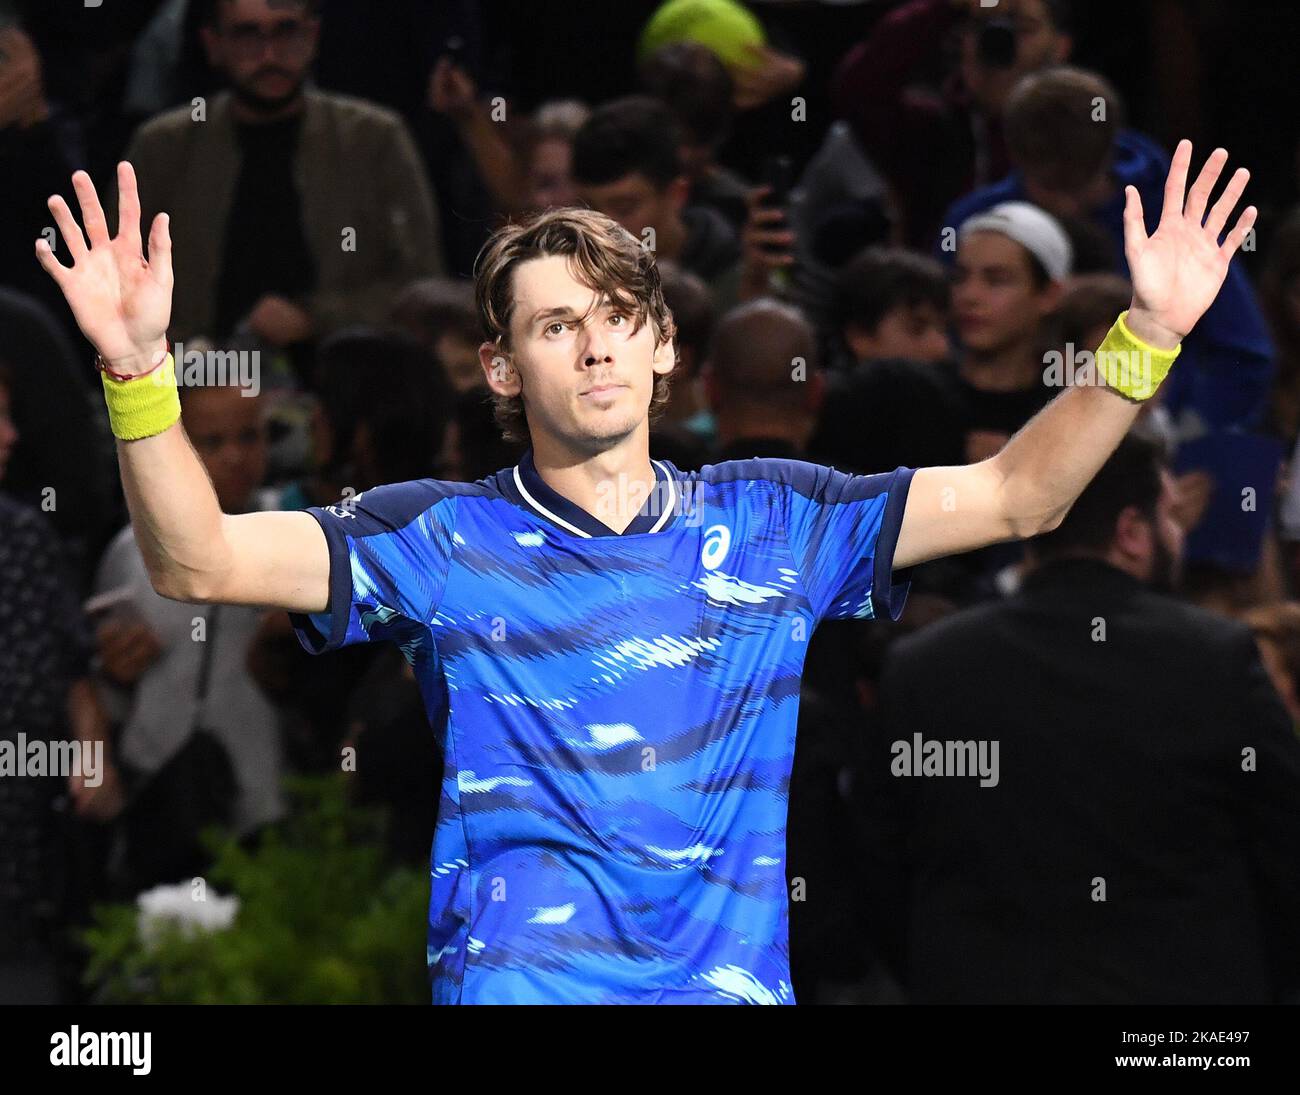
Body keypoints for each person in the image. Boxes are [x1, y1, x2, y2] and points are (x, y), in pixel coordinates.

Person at [36, 139, 1255, 1004]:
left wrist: (1144, 336)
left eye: (620, 311)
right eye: (554, 324)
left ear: (666, 343)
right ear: (501, 370)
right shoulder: (434, 537)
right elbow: (194, 560)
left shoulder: (777, 521)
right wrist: (139, 372)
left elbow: (1020, 493)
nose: (595, 340)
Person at [866, 433, 1300, 1003]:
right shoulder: (1218, 659)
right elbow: (1286, 858)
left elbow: (880, 880)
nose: (1179, 533)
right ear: (1131, 532)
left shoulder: (924, 670)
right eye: (1169, 514)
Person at [108, 0, 446, 347]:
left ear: (312, 36)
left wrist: (315, 316)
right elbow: (113, 285)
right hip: (195, 379)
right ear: (214, 44)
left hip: (352, 380)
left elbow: (422, 287)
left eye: (286, 31)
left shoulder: (374, 139)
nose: (269, 55)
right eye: (247, 34)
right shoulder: (164, 147)